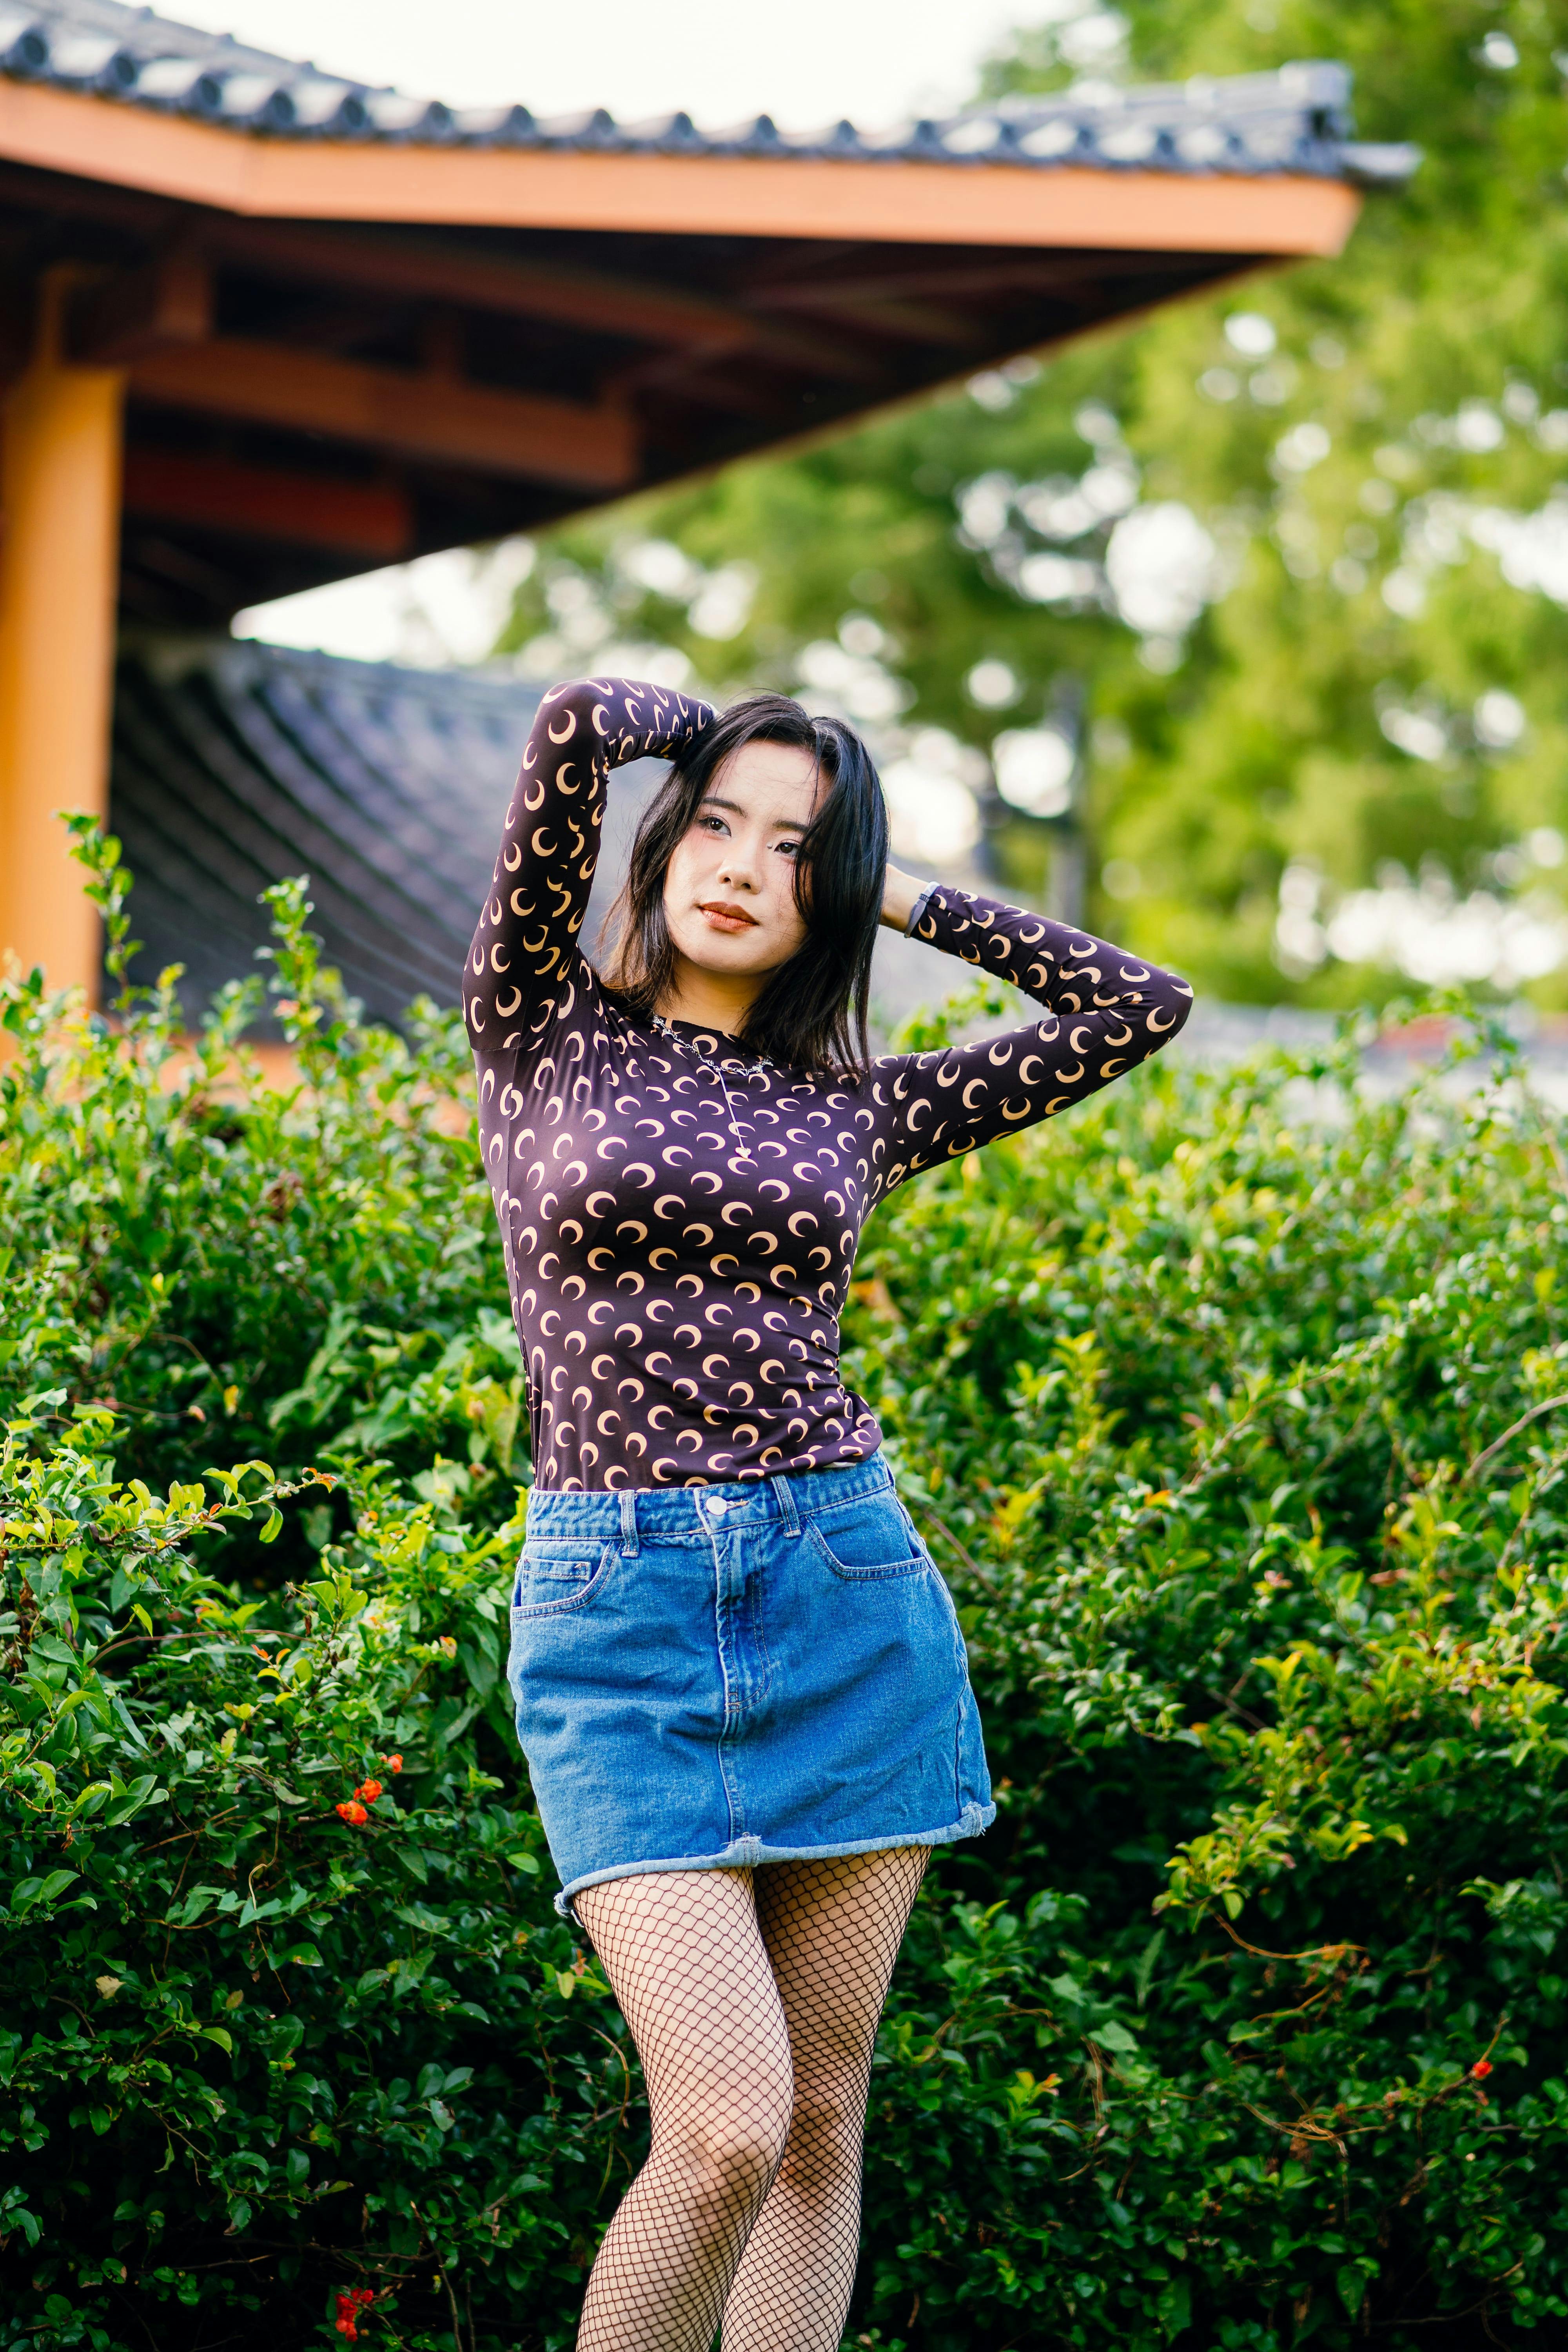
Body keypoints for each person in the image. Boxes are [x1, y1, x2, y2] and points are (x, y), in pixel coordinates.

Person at [464, 675, 1192, 2352]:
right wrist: (721, 726)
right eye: (716, 821)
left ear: (828, 896)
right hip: (614, 1612)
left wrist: (896, 880)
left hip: (841, 1586)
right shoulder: (538, 1024)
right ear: (661, 839)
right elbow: (577, 718)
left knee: (817, 2125)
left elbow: (1134, 1004)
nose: (741, 866)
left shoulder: (854, 1104)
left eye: (795, 850)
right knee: (722, 2128)